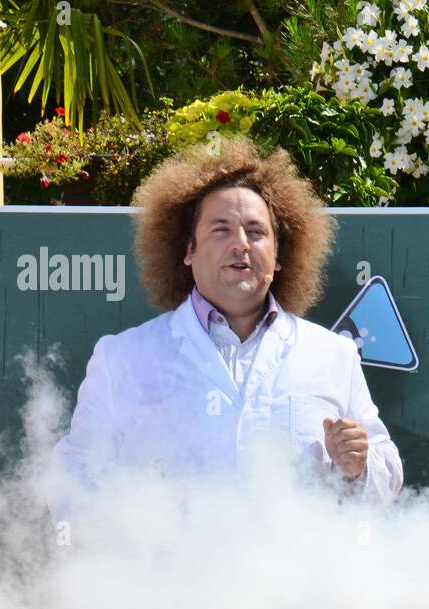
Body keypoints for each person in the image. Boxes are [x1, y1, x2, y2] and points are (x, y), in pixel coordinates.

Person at [50, 137, 402, 519]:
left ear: (280, 255)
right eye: (221, 229)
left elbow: (386, 478)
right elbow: (73, 482)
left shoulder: (333, 355)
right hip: (166, 577)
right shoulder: (121, 358)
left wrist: (357, 469)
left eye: (256, 232)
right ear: (188, 250)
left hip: (297, 577)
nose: (240, 245)